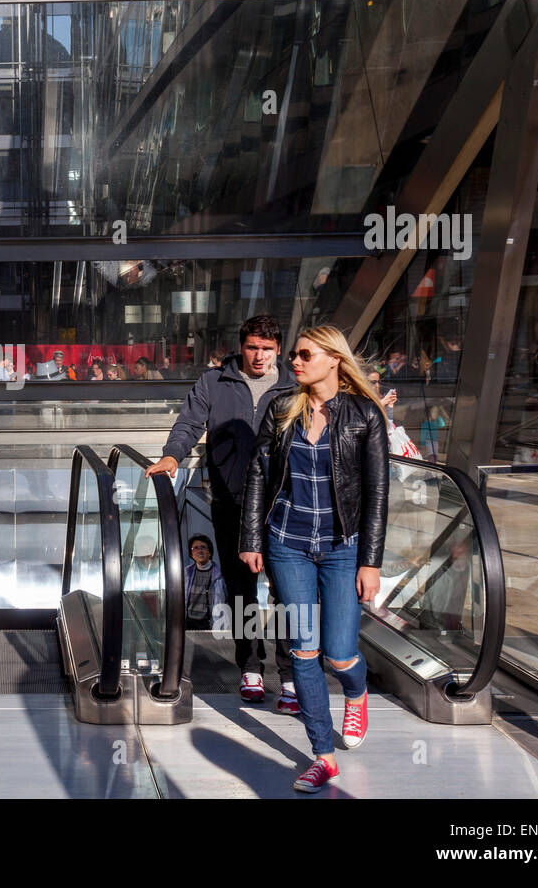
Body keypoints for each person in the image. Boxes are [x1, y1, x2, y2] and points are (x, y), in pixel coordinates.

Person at [239, 325, 389, 793]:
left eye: (305, 355)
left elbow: (378, 491)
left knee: (341, 655)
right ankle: (322, 755)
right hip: (288, 544)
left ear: (334, 360)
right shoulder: (283, 409)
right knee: (304, 651)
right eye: (296, 356)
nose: (295, 362)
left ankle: (356, 691)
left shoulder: (365, 414)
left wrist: (371, 561)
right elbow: (259, 475)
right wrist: (252, 538)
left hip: (344, 550)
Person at [146, 315, 298, 712]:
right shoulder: (214, 382)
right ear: (241, 346)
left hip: (282, 504)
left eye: (267, 348)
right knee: (241, 588)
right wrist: (171, 456)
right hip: (231, 501)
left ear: (278, 349)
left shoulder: (293, 387)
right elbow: (188, 424)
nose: (259, 356)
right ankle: (250, 666)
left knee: (286, 591)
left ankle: (290, 674)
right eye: (252, 347)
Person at [185, 534, 228, 631]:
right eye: (195, 548)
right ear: (191, 554)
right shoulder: (185, 574)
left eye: (203, 547)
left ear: (209, 552)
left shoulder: (220, 575)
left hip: (209, 624)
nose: (200, 551)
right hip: (188, 623)